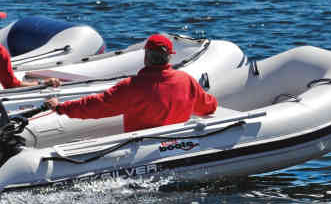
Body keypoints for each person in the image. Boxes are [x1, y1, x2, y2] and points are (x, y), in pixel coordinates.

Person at [42, 34, 216, 131]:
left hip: (141, 150)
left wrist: (61, 107)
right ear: (170, 56)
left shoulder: (131, 87)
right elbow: (208, 106)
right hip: (177, 146)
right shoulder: (187, 81)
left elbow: (96, 106)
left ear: (146, 55)